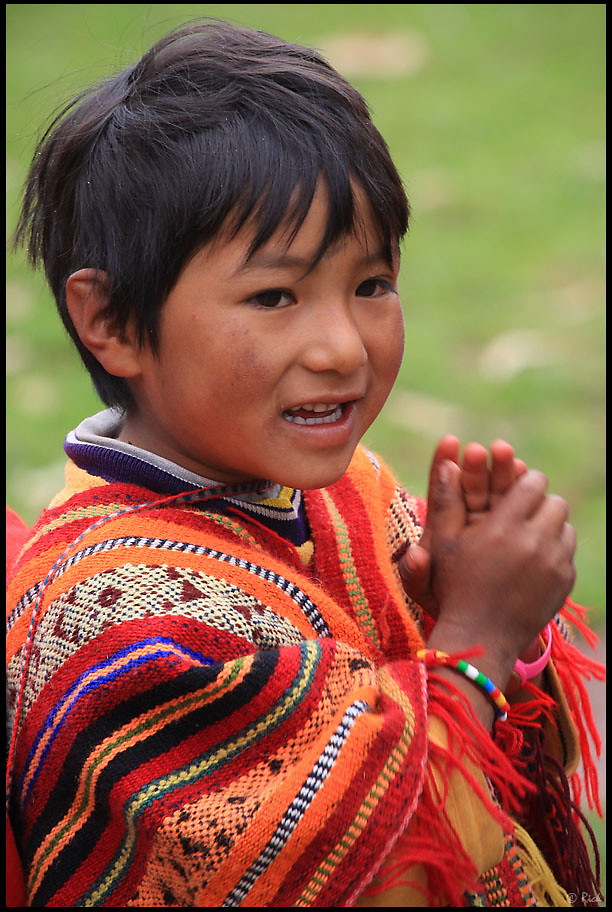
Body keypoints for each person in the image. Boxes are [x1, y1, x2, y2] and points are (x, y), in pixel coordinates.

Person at [6, 20, 604, 908]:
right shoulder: (120, 620)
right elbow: (386, 880)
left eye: (371, 284)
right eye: (275, 296)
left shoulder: (347, 493)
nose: (341, 348)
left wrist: (468, 607)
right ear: (112, 322)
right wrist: (478, 641)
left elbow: (515, 783)